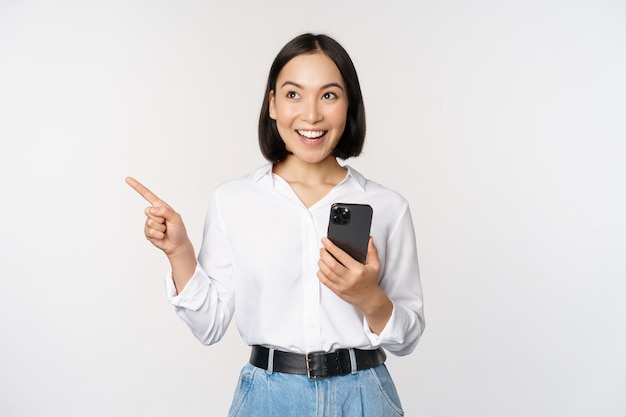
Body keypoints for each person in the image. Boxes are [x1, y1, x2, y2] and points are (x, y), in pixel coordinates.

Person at [126, 33, 425, 417]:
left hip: (364, 396)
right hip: (268, 399)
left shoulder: (387, 207)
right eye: (294, 94)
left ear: (349, 106)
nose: (312, 114)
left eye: (329, 95)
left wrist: (368, 296)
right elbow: (209, 326)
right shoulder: (233, 200)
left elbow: (408, 337)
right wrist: (179, 252)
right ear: (272, 104)